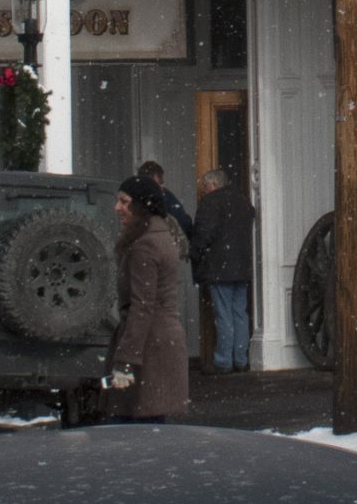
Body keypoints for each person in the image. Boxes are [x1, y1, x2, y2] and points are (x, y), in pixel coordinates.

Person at [106, 175, 190, 422]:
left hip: (149, 348)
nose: (117, 208)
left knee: (135, 434)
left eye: (124, 201)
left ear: (142, 205)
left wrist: (125, 361)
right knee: (151, 431)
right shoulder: (160, 236)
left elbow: (142, 307)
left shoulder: (145, 246)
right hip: (160, 343)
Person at [190, 166, 254, 374]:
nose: (204, 191)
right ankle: (241, 359)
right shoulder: (244, 201)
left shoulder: (211, 202)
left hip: (220, 266)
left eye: (205, 187)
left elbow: (203, 234)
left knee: (223, 314)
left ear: (214, 185)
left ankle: (223, 361)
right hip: (242, 266)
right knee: (240, 314)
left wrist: (195, 253)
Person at [136, 159, 198, 243]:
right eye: (160, 183)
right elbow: (183, 222)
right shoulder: (164, 197)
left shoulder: (135, 198)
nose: (161, 187)